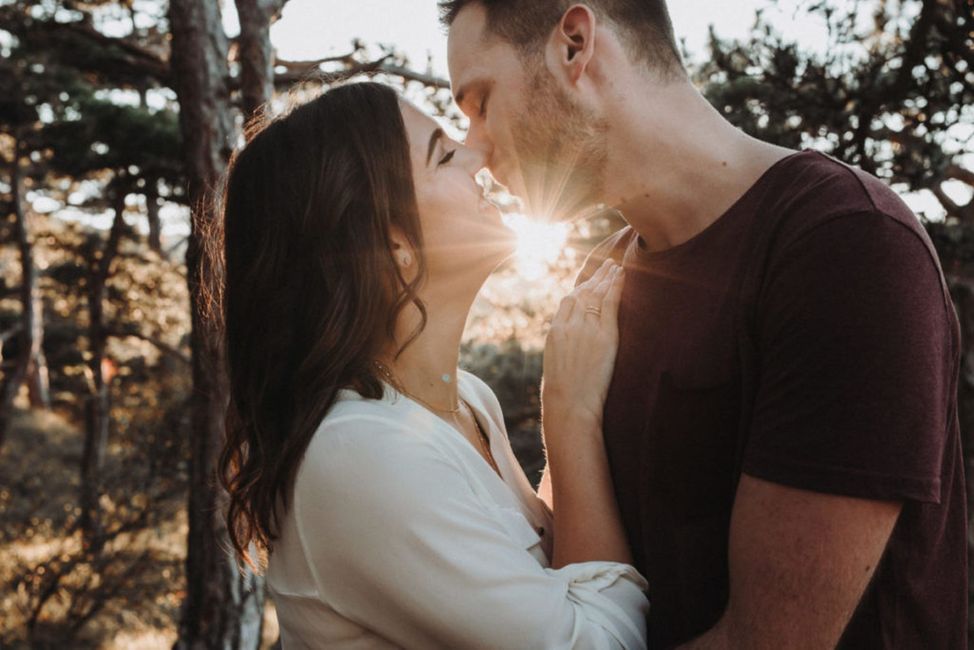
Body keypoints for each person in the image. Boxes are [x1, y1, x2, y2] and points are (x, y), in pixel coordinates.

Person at [440, 1, 966, 648]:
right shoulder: (602, 280)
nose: (476, 151)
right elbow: (579, 586)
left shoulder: (845, 245)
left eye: (481, 102)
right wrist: (564, 413)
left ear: (574, 44)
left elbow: (766, 641)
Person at [214, 81, 650, 649]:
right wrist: (571, 420)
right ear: (392, 243)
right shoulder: (361, 452)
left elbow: (548, 579)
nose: (478, 155)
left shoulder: (465, 400)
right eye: (444, 154)